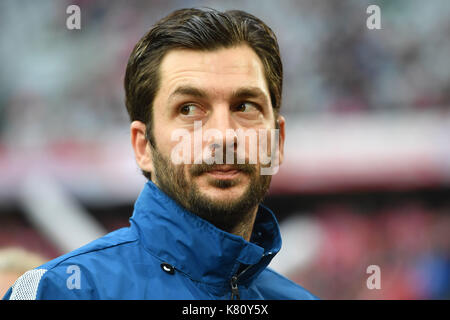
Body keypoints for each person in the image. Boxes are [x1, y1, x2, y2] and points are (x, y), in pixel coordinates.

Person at [3, 7, 317, 300]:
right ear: (143, 146)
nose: (223, 135)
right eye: (189, 108)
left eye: (245, 106)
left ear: (277, 142)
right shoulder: (55, 291)